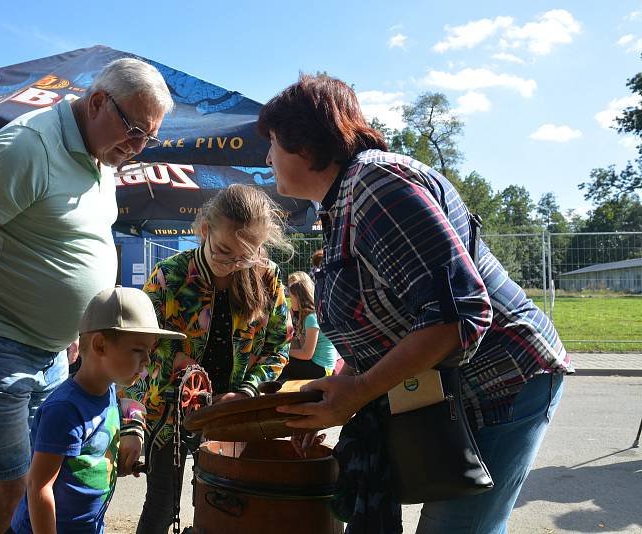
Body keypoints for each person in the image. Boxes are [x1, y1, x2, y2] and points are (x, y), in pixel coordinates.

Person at [259, 74, 572, 533]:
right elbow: (391, 320)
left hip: (503, 380)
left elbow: (458, 315)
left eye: (272, 143)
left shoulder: (376, 183)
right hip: (453, 392)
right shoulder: (343, 200)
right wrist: (339, 391)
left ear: (304, 144)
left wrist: (361, 392)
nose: (267, 158)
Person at [0, 58, 173, 534]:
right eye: (135, 130)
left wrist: (73, 330)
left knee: (45, 486)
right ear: (98, 102)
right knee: (8, 495)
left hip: (54, 352)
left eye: (148, 138)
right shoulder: (28, 146)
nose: (138, 148)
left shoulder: (103, 156)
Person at [122, 184, 293, 534]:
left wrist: (246, 392)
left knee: (222, 505)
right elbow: (139, 345)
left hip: (232, 416)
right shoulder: (168, 276)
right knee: (161, 506)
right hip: (169, 414)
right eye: (224, 251)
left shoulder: (268, 277)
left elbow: (279, 346)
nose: (234, 264)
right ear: (204, 230)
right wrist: (174, 360)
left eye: (247, 254)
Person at [9, 286, 185, 534]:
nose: (147, 360)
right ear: (100, 346)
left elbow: (86, 457)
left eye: (149, 351)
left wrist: (113, 466)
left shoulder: (109, 391)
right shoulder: (65, 410)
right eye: (138, 350)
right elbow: (39, 486)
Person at [280, 271, 338, 381]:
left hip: (322, 369)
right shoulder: (304, 317)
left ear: (299, 298)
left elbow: (307, 354)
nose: (290, 301)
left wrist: (283, 352)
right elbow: (301, 347)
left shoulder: (311, 318)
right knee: (282, 362)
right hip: (315, 364)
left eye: (291, 298)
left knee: (282, 363)